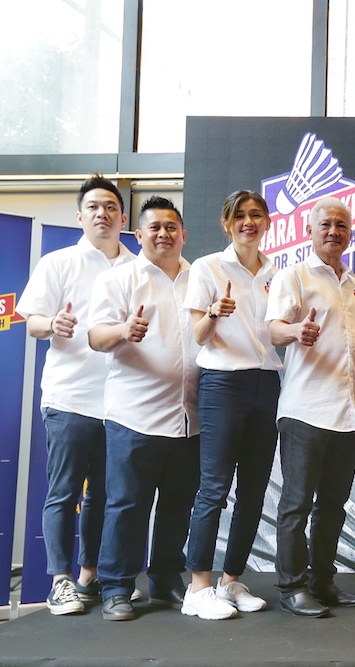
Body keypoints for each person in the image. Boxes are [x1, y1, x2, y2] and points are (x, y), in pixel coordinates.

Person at [16, 175, 136, 615]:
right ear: (79, 216)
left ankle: (90, 576)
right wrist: (53, 325)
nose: (102, 213)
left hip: (123, 401)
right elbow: (30, 321)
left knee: (107, 494)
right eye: (93, 207)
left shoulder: (137, 267)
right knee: (64, 492)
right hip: (70, 397)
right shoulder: (58, 262)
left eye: (110, 207)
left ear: (123, 217)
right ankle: (60, 580)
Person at [265, 196, 355, 618]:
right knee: (296, 505)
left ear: (351, 234)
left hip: (346, 417)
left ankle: (322, 581)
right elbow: (274, 331)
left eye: (342, 225)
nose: (334, 231)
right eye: (326, 224)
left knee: (333, 506)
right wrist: (297, 330)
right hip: (304, 411)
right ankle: (292, 587)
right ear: (310, 231)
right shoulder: (292, 277)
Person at [88, 196, 199, 621]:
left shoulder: (199, 277)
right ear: (139, 235)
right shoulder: (121, 278)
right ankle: (116, 587)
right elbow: (96, 336)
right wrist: (122, 330)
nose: (164, 234)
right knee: (127, 505)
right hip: (134, 416)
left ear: (183, 235)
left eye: (172, 227)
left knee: (177, 505)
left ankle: (166, 578)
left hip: (188, 417)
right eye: (154, 227)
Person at [181, 190, 281, 620]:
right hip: (222, 383)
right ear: (227, 223)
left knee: (255, 490)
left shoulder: (277, 273)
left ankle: (231, 580)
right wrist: (215, 313)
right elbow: (199, 335)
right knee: (214, 488)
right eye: (239, 216)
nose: (248, 222)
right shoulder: (207, 267)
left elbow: (278, 332)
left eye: (256, 215)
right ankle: (198, 586)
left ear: (267, 222)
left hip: (267, 383)